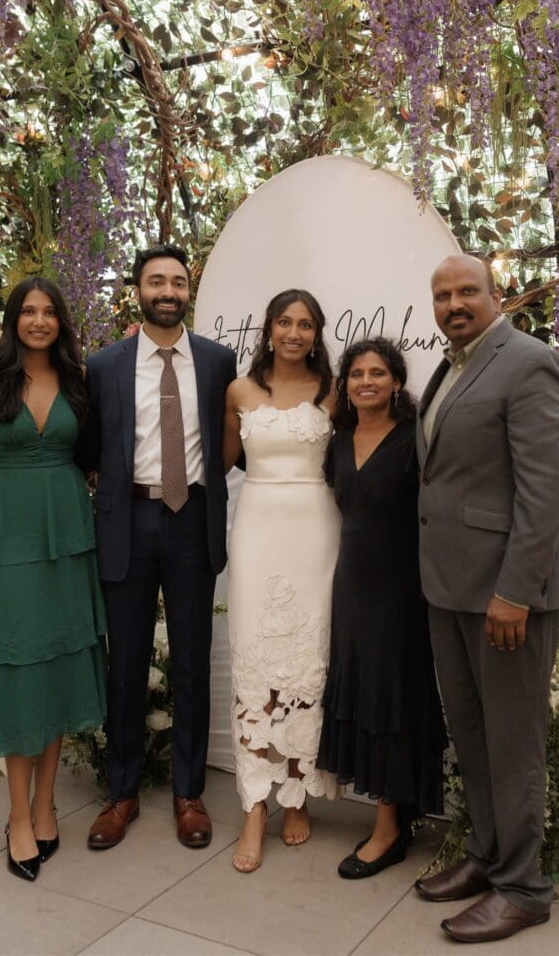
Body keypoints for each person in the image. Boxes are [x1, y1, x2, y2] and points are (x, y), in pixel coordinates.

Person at [414, 254, 559, 943]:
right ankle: (485, 856)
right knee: (473, 736)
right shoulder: (450, 366)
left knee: (513, 745)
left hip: (504, 597)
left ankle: (522, 887)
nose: (453, 304)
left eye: (465, 292)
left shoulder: (528, 361)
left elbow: (547, 493)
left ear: (495, 294)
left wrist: (513, 592)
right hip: (449, 588)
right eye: (442, 295)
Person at [80, 243, 237, 850]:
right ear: (138, 290)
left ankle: (188, 794)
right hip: (129, 521)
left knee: (194, 661)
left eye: (177, 281)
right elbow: (89, 445)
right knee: (126, 664)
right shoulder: (105, 364)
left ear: (187, 290)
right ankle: (120, 794)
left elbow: (232, 438)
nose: (167, 291)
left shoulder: (219, 361)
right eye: (156, 281)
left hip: (193, 519)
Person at [0, 277, 107, 882]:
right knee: (20, 675)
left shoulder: (77, 381)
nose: (39, 321)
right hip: (7, 543)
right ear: (13, 319)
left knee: (57, 670)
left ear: (60, 321)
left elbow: (93, 457)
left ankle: (47, 805)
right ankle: (18, 814)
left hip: (69, 543)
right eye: (28, 312)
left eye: (49, 312)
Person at [316, 338, 445, 879]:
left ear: (397, 382)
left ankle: (389, 829)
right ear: (344, 384)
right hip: (351, 586)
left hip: (401, 589)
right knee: (366, 693)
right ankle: (399, 810)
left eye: (378, 372)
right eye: (356, 373)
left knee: (393, 699)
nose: (366, 381)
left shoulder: (415, 439)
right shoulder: (338, 441)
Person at [223, 288, 340, 873]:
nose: (295, 333)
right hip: (257, 530)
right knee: (258, 668)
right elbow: (216, 464)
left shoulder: (333, 391)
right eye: (284, 322)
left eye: (306, 324)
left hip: (317, 531)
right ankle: (256, 806)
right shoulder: (239, 391)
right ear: (267, 328)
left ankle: (299, 789)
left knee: (306, 666)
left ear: (317, 333)